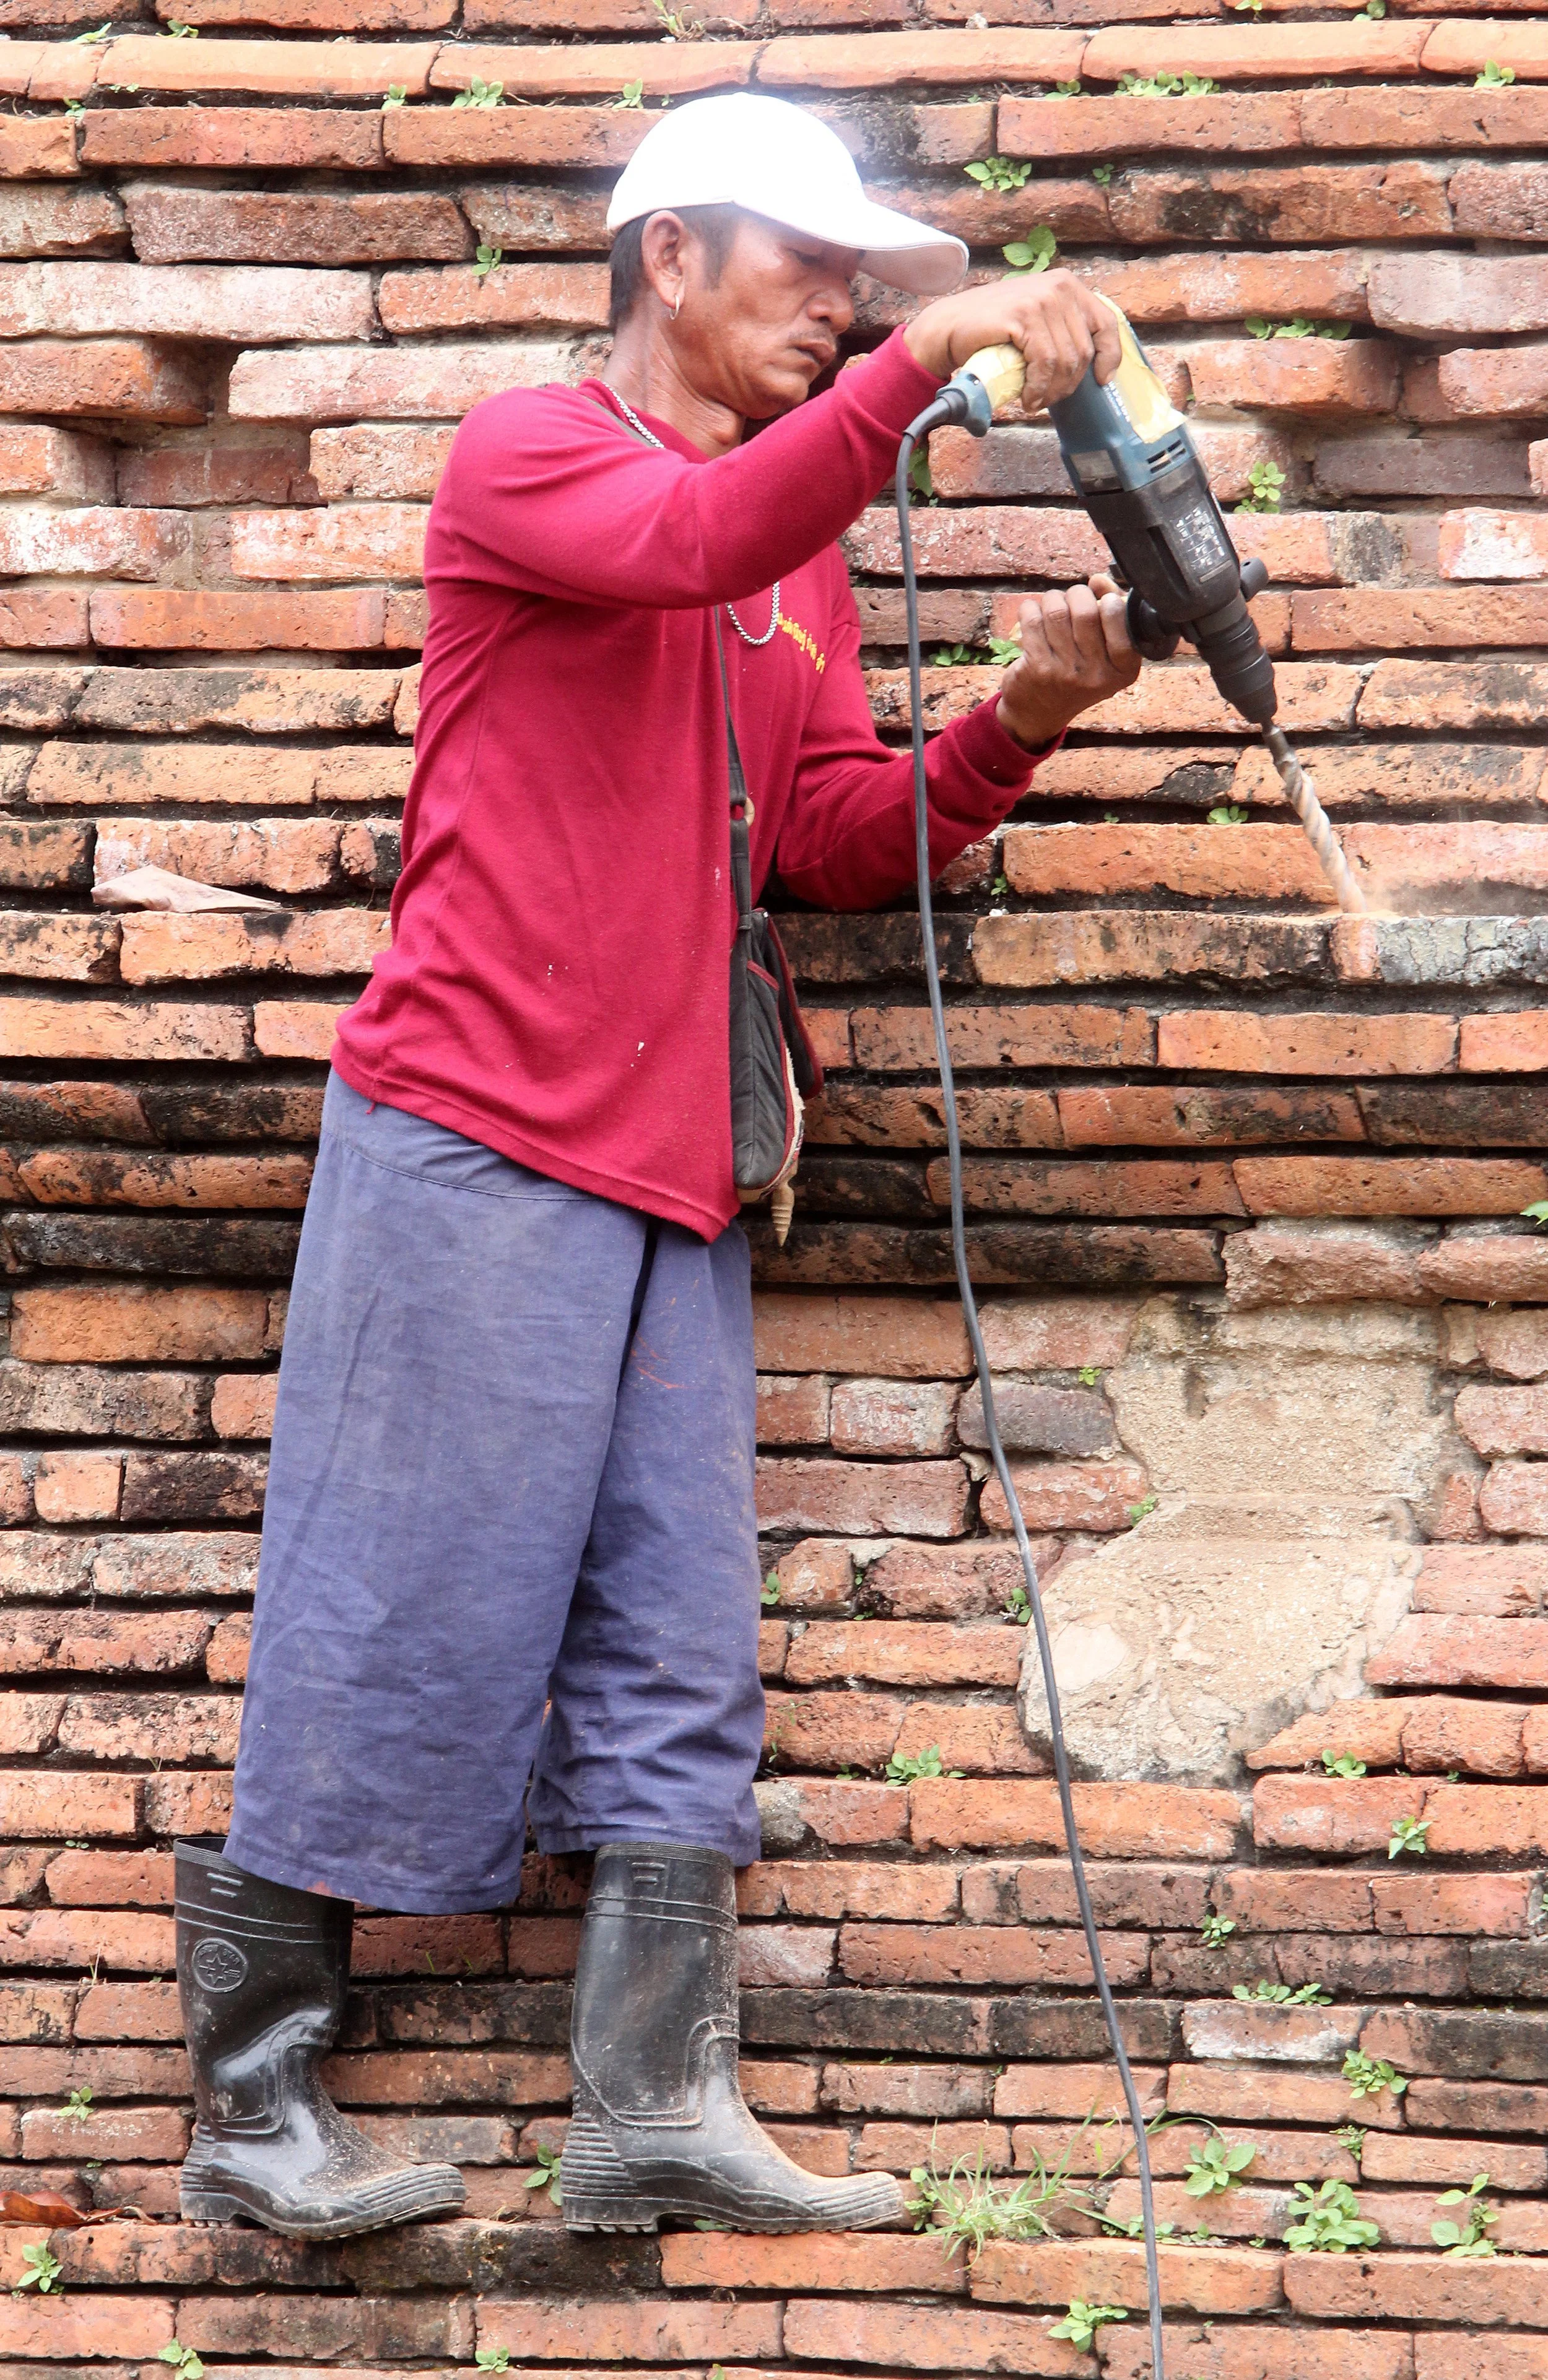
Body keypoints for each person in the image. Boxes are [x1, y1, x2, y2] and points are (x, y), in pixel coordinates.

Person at [173, 91, 1142, 2243]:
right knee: (399, 1591)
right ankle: (251, 2108)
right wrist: (937, 355)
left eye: (864, 281)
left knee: (677, 1644)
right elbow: (679, 543)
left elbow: (814, 840)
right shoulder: (532, 454)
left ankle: (651, 2101)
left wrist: (1018, 724)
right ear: (666, 258)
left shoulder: (798, 550)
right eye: (802, 264)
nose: (840, 305)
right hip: (474, 1126)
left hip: (677, 1156)